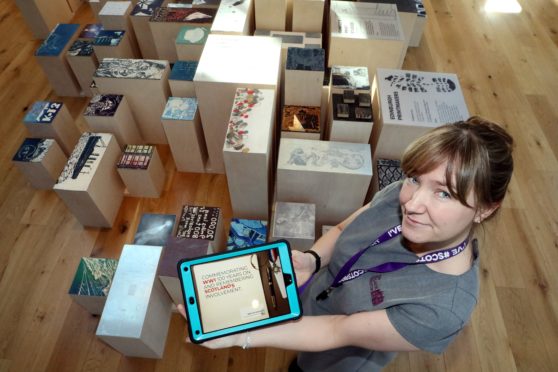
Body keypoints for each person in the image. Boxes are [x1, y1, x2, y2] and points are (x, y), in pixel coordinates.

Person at [178, 116, 514, 371]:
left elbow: (338, 331)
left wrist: (241, 336)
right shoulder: (399, 193)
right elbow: (342, 229)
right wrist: (312, 260)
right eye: (415, 178)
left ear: (485, 209)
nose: (412, 203)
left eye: (443, 193)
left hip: (338, 355)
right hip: (318, 297)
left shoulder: (443, 309)